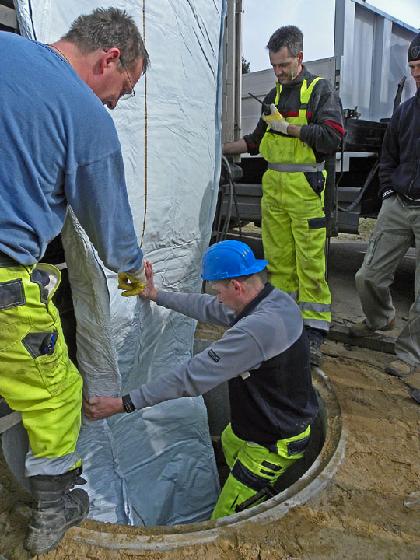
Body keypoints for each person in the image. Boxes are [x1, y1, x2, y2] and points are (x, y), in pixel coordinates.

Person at [0, 8, 149, 554]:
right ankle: (52, 510)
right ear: (110, 58)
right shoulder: (85, 115)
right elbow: (112, 234)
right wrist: (135, 276)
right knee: (56, 394)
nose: (116, 103)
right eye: (124, 89)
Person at [84, 240, 319, 519]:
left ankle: (250, 499)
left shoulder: (255, 332)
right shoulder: (273, 300)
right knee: (229, 442)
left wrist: (123, 403)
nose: (217, 298)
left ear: (236, 286)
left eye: (218, 291)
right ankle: (243, 487)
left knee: (224, 521)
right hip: (258, 424)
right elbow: (208, 307)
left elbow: (190, 377)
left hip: (275, 440)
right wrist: (156, 295)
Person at [223, 26, 344, 366]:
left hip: (306, 191)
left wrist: (289, 129)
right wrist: (219, 149)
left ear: (299, 57)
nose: (277, 72)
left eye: (283, 65)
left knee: (310, 263)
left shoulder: (319, 91)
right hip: (274, 192)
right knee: (278, 263)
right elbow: (255, 141)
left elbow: (333, 136)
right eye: (274, 66)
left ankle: (314, 331)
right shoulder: (273, 96)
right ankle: (284, 322)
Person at [348, 33, 420, 380]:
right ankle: (380, 319)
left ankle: (410, 354)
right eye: (413, 67)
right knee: (368, 276)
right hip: (400, 202)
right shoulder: (405, 112)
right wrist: (390, 190)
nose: (416, 73)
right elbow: (388, 157)